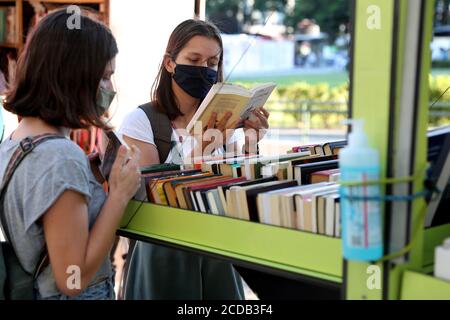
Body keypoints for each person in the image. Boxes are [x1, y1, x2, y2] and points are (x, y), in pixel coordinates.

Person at [119, 19, 270, 300]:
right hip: (164, 255)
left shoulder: (222, 117)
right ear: (170, 63)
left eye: (212, 62)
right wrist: (199, 145)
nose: (204, 69)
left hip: (217, 250)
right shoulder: (142, 121)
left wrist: (251, 142)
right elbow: (146, 200)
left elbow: (236, 186)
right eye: (194, 59)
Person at [0, 9, 141, 300]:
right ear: (71, 75)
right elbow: (72, 279)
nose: (110, 89)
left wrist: (88, 179)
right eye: (103, 77)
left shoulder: (15, 140)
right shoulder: (60, 158)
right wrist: (118, 195)